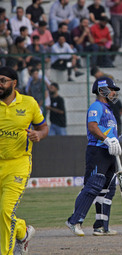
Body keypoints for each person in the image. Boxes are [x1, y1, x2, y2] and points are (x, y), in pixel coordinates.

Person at [65, 77, 122, 236]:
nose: (114, 93)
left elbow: (108, 132)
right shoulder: (96, 106)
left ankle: (101, 226)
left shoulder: (109, 109)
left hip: (110, 152)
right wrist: (106, 139)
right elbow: (92, 126)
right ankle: (74, 221)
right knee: (93, 185)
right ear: (102, 90)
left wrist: (120, 138)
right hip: (98, 150)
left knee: (108, 189)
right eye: (112, 89)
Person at [0, 66, 48, 254]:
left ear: (14, 83)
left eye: (3, 80)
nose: (0, 84)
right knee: (3, 214)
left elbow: (44, 127)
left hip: (19, 163)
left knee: (4, 210)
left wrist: (38, 134)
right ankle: (22, 231)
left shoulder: (28, 103)